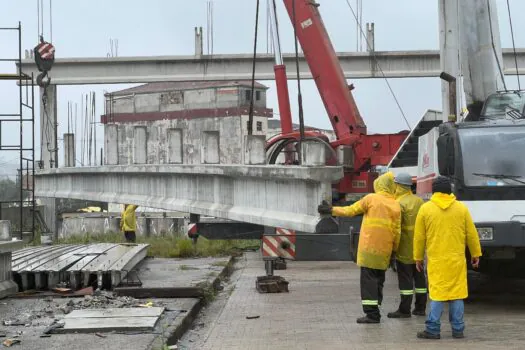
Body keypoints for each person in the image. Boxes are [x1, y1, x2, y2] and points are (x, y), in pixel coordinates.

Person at [318, 172, 401, 324]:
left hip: (369, 249)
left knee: (368, 282)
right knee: (378, 281)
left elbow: (351, 210)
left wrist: (331, 210)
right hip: (385, 251)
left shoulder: (371, 199)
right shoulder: (395, 205)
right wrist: (394, 252)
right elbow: (397, 232)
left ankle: (372, 315)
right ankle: (376, 310)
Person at [413, 176, 482, 339]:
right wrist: (476, 253)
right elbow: (471, 234)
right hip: (456, 260)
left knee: (437, 294)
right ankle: (458, 329)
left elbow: (419, 237)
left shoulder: (426, 209)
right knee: (456, 294)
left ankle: (433, 329)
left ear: (434, 190)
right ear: (450, 190)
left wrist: (417, 257)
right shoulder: (461, 208)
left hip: (436, 261)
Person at [387, 173, 427, 318]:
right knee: (420, 278)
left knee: (405, 280)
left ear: (399, 186)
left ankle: (405, 310)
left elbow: (396, 229)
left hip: (404, 248)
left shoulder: (398, 203)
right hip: (419, 248)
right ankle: (421, 308)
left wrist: (392, 248)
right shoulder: (420, 201)